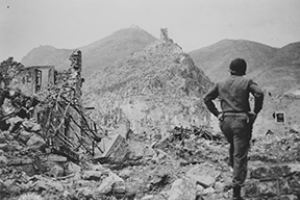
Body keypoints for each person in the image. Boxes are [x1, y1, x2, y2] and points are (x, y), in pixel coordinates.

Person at [203, 58, 264, 200]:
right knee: (240, 154)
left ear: (230, 69)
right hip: (241, 122)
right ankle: (237, 191)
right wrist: (255, 111)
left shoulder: (220, 83)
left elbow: (206, 98)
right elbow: (259, 93)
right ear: (243, 70)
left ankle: (232, 168)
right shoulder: (247, 82)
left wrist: (217, 113)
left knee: (234, 146)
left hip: (225, 122)